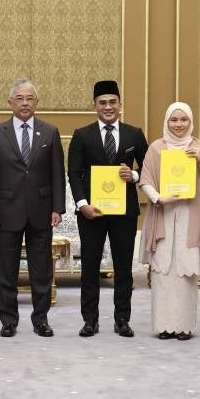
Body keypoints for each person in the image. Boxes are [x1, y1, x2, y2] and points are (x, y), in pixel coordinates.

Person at [0, 78, 65, 338]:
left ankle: (40, 319)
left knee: (41, 270)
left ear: (37, 102)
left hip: (42, 210)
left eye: (30, 98)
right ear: (10, 103)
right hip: (6, 211)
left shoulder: (49, 132)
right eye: (20, 98)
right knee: (6, 270)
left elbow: (57, 175)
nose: (25, 103)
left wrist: (58, 208)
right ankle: (8, 320)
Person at [67, 80, 148, 338]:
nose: (108, 107)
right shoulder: (82, 135)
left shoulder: (134, 134)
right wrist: (82, 205)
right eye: (103, 103)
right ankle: (90, 320)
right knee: (89, 267)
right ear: (94, 106)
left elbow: (149, 170)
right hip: (92, 212)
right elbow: (75, 174)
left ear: (120, 105)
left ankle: (122, 319)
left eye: (113, 102)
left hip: (124, 212)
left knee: (124, 267)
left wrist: (133, 176)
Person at [137, 102, 200, 341]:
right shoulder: (156, 148)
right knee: (163, 272)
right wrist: (159, 198)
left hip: (191, 216)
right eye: (174, 120)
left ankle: (184, 327)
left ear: (191, 122)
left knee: (186, 273)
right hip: (164, 213)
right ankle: (164, 325)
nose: (179, 125)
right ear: (167, 122)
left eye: (184, 120)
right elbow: (145, 179)